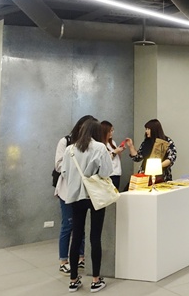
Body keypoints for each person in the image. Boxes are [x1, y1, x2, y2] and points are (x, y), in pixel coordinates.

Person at [62, 118, 113, 293]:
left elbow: (64, 172)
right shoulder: (100, 148)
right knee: (95, 237)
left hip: (76, 197)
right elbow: (107, 172)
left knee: (76, 236)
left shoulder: (69, 150)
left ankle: (73, 279)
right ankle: (95, 280)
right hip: (95, 195)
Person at [54, 115, 90, 276]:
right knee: (67, 225)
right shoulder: (65, 142)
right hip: (66, 190)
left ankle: (81, 257)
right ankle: (63, 260)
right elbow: (58, 165)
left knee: (80, 226)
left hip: (82, 191)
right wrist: (74, 167)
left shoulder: (89, 144)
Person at [100, 121, 125, 190]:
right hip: (109, 174)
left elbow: (117, 158)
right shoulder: (101, 145)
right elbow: (105, 160)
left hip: (117, 172)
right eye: (110, 131)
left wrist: (119, 151)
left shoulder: (112, 142)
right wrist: (115, 152)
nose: (112, 133)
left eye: (112, 130)